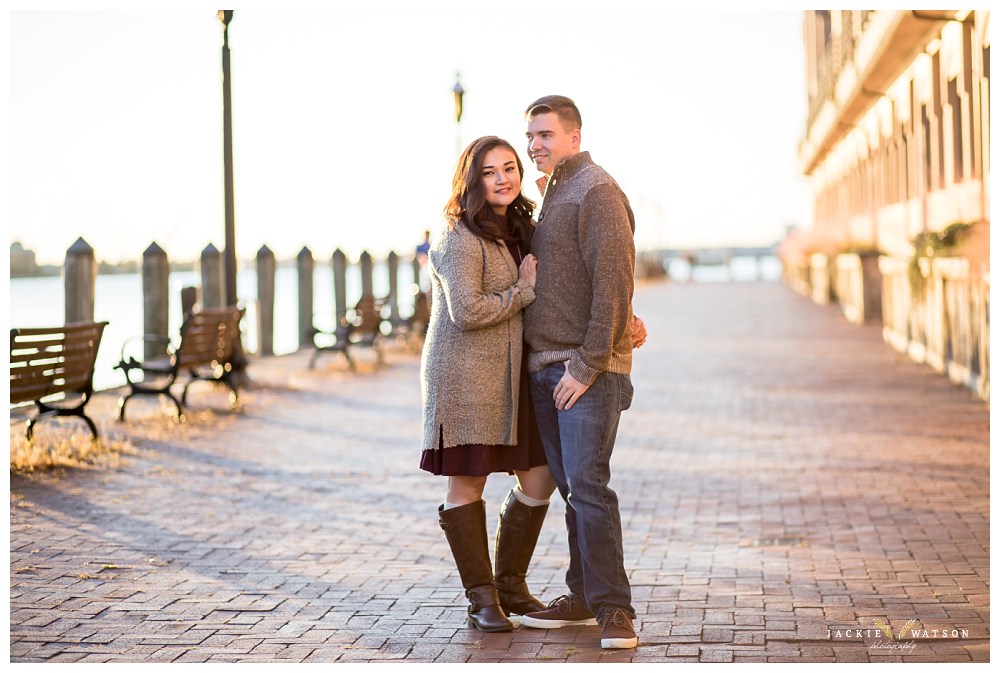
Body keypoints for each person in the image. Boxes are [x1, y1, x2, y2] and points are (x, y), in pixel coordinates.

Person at [517, 95, 641, 649]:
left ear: (573, 136)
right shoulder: (551, 194)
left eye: (545, 135)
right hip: (547, 367)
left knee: (590, 488)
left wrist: (587, 366)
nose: (535, 145)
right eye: (531, 137)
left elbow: (613, 285)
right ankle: (584, 595)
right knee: (573, 491)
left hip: (584, 370)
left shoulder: (596, 190)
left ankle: (615, 610)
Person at [419, 136, 556, 633]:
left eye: (510, 168)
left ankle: (510, 585)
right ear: (471, 180)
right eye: (489, 171)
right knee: (469, 481)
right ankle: (481, 599)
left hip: (515, 374)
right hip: (466, 376)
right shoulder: (459, 236)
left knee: (541, 474)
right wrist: (521, 292)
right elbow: (468, 311)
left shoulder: (523, 228)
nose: (502, 178)